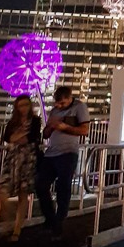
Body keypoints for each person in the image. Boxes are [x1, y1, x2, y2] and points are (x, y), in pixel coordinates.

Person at [36, 86, 90, 239]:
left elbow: (84, 130)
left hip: (68, 152)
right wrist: (50, 128)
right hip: (51, 152)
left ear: (69, 98)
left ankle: (59, 219)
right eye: (57, 104)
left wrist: (64, 127)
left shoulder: (79, 107)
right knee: (40, 185)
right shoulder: (54, 111)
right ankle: (51, 218)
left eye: (63, 104)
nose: (59, 106)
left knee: (63, 185)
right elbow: (46, 134)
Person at [0, 96, 42, 242]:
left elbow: (32, 137)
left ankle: (17, 230)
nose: (23, 108)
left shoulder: (35, 121)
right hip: (12, 159)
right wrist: (18, 136)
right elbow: (8, 137)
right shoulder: (12, 122)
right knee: (2, 192)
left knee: (23, 193)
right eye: (20, 105)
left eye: (26, 105)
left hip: (28, 159)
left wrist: (18, 137)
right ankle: (9, 221)